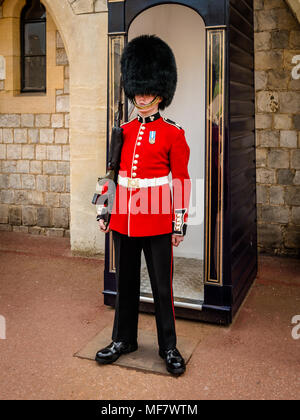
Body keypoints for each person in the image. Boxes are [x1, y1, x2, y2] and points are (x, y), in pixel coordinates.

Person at [95, 35, 191, 376]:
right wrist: (104, 209)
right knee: (126, 284)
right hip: (123, 218)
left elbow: (180, 180)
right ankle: (124, 339)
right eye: (138, 90)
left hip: (157, 218)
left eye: (148, 91)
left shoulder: (173, 133)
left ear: (160, 92)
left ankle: (169, 346)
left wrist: (178, 224)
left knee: (162, 287)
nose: (142, 97)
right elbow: (110, 171)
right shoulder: (122, 130)